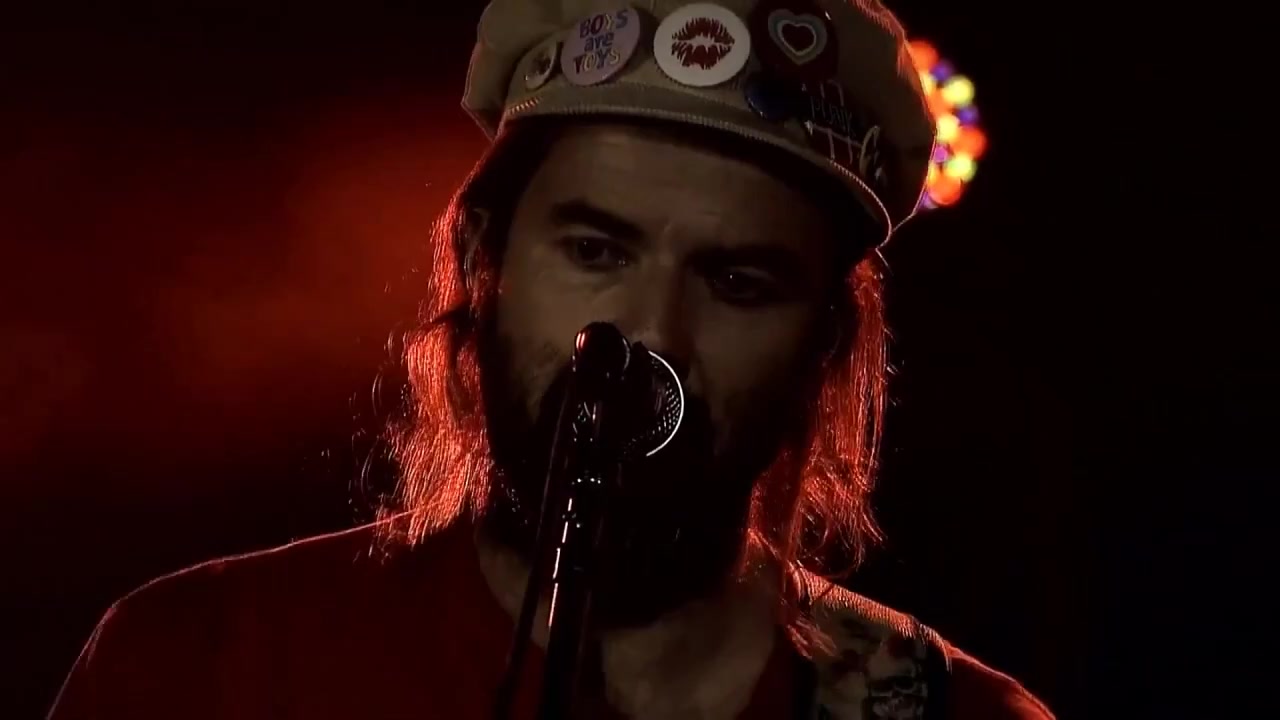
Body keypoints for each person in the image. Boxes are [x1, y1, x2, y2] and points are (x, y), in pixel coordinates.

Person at [47, 1, 1055, 718]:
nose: (651, 333)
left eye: (737, 282)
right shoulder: (200, 668)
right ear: (485, 265)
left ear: (823, 345)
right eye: (595, 251)